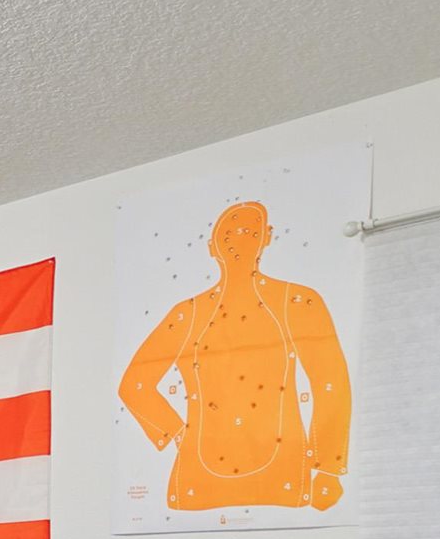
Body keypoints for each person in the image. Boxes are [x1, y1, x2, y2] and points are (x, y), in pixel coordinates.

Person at [118, 198, 350, 513]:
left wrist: (328, 467)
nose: (238, 240)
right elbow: (135, 384)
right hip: (198, 482)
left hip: (282, 480)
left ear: (266, 237)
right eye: (229, 234)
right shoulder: (188, 314)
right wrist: (175, 433)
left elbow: (330, 383)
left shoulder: (296, 302)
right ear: (212, 247)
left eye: (249, 232)